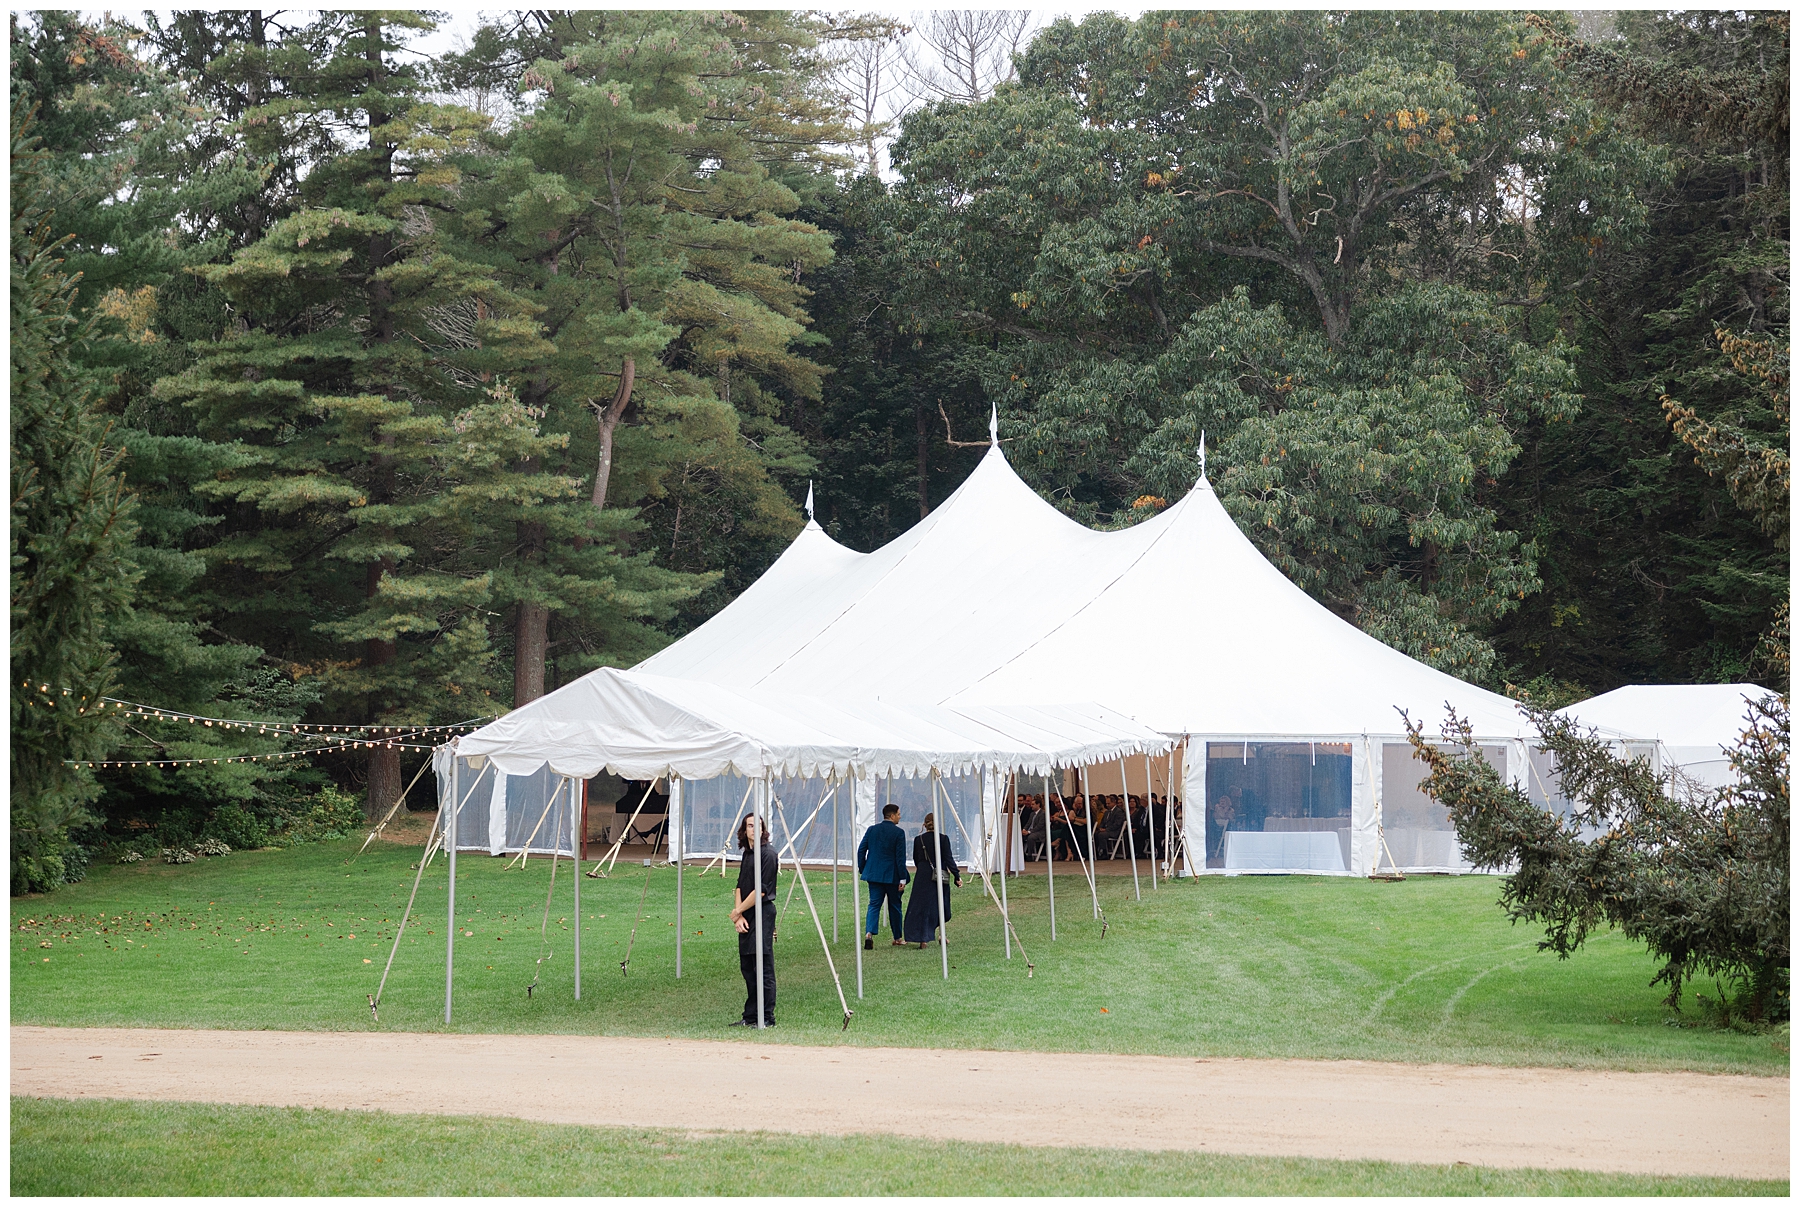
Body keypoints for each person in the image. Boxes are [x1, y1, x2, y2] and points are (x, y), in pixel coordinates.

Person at [728, 812, 778, 1027]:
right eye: (749, 826)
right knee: (748, 967)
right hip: (746, 913)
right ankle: (751, 1016)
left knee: (763, 967)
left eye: (757, 826)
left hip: (763, 913)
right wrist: (738, 915)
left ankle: (766, 1017)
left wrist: (738, 910)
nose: (753, 830)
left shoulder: (768, 854)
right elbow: (740, 885)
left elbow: (762, 891)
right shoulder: (747, 854)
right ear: (744, 830)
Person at [903, 813, 961, 947]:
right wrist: (957, 876)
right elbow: (948, 859)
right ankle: (942, 934)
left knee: (921, 906)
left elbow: (916, 858)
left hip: (923, 874)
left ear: (925, 824)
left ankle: (923, 939)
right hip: (939, 873)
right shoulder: (943, 839)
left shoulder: (919, 840)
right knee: (940, 904)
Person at [857, 802, 910, 949]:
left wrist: (864, 868)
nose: (900, 817)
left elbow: (861, 850)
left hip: (873, 874)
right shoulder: (899, 833)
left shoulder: (872, 830)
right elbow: (900, 858)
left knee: (874, 904)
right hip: (892, 876)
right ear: (892, 816)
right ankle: (898, 937)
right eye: (898, 814)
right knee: (895, 906)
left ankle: (869, 932)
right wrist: (902, 878)